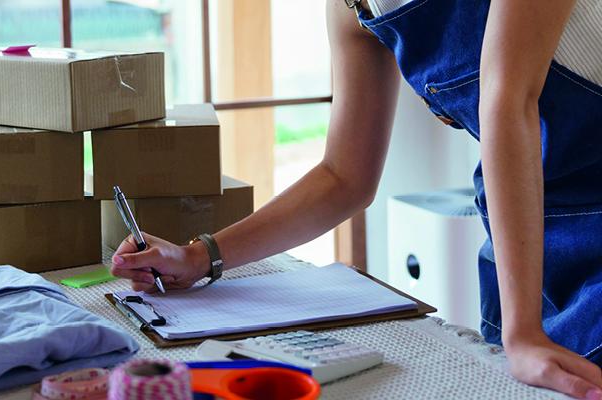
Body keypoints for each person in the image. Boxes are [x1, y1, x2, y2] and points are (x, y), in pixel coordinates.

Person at [110, 0, 602, 397]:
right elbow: (344, 177)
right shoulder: (355, 8)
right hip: (525, 239)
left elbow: (508, 98)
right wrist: (199, 257)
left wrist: (524, 334)